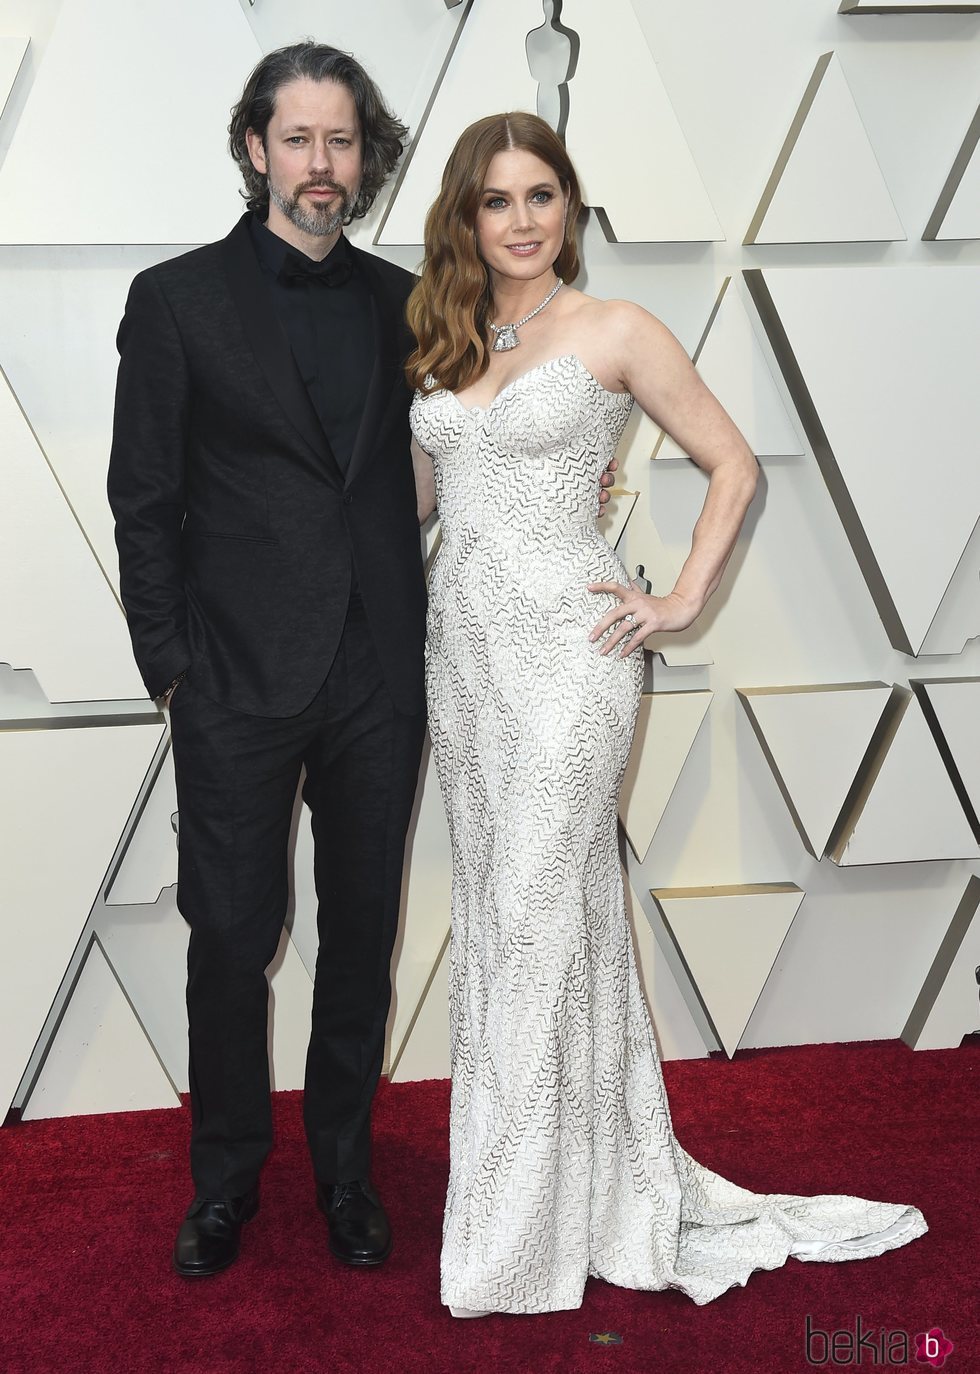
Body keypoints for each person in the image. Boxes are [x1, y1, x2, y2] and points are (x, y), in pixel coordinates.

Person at [407, 112, 927, 1318]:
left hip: (576, 656)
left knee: (537, 919)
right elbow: (416, 498)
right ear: (466, 216)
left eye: (543, 195)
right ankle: (574, 1195)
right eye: (497, 200)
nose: (523, 220)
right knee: (515, 919)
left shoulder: (617, 330)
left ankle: (511, 1243)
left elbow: (732, 463)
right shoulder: (440, 340)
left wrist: (680, 599)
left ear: (570, 207)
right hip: (466, 662)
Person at [107, 43, 430, 1278]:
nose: (319, 164)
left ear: (364, 159)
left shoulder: (408, 303)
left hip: (374, 682)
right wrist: (173, 668)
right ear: (255, 148)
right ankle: (225, 1180)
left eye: (340, 142)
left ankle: (345, 1172)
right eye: (297, 139)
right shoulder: (177, 299)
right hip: (233, 680)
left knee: (360, 937)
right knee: (228, 942)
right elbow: (143, 499)